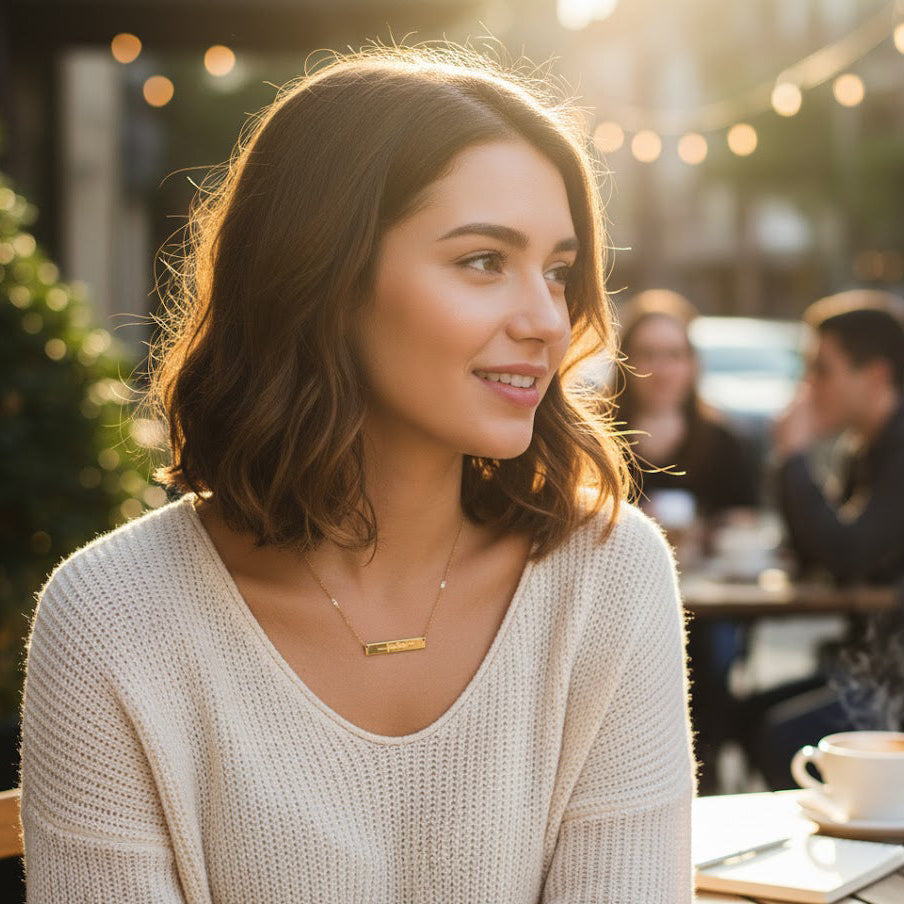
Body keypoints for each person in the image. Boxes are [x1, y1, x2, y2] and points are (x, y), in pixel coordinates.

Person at [18, 45, 695, 901]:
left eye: (557, 272)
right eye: (484, 260)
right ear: (323, 277)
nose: (546, 321)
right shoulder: (115, 621)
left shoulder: (604, 579)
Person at [750, 289, 904, 789]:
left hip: (892, 681)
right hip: (877, 665)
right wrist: (790, 462)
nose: (808, 385)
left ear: (876, 375)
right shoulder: (865, 447)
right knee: (746, 713)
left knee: (779, 734)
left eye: (822, 369)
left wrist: (794, 458)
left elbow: (850, 556)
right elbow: (820, 554)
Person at [614, 289, 761, 794]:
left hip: (705, 599)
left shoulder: (723, 440)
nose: (661, 368)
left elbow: (746, 522)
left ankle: (705, 773)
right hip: (620, 599)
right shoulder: (598, 435)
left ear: (692, 364)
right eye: (648, 354)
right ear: (626, 362)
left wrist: (705, 531)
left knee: (711, 653)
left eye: (674, 354)